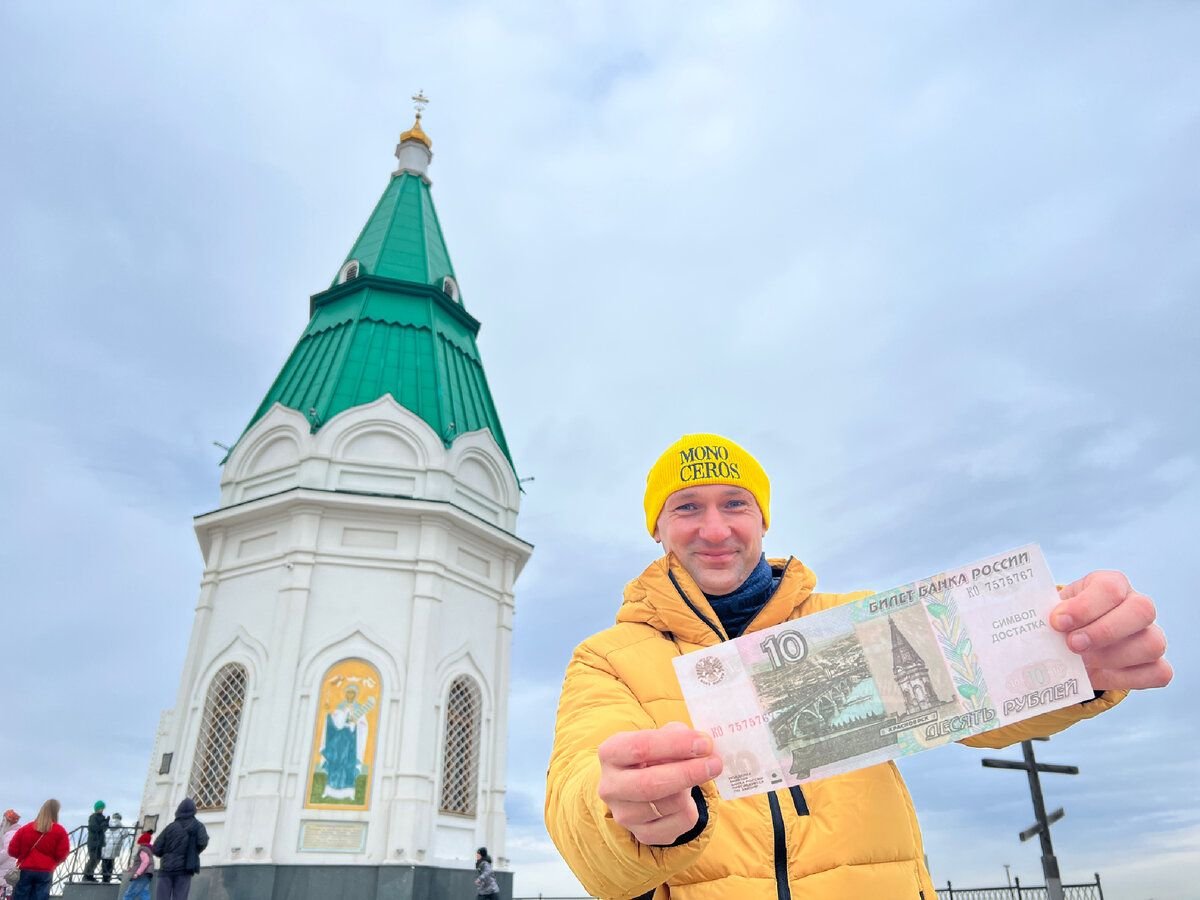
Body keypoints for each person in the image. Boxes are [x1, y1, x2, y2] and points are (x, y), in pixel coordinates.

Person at [545, 433, 1173, 899]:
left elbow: (980, 697)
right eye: (687, 508)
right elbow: (581, 805)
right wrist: (628, 814)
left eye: (735, 503)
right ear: (656, 527)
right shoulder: (609, 659)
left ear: (763, 518)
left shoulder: (855, 622)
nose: (714, 529)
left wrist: (1076, 653)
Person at [6, 799, 69, 900]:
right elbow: (62, 854)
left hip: (25, 869)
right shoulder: (60, 831)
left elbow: (12, 850)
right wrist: (52, 863)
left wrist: (23, 857)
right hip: (45, 871)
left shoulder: (25, 829)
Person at [151, 799, 208, 900]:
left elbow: (156, 848)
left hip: (166, 869)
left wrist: (167, 855)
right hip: (185, 868)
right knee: (180, 897)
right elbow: (202, 842)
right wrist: (193, 852)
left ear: (178, 810)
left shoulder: (170, 827)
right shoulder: (198, 826)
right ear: (194, 810)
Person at [120, 830, 155, 900]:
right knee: (144, 893)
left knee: (129, 894)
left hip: (141, 875)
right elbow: (141, 863)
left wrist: (137, 873)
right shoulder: (148, 850)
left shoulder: (143, 849)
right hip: (147, 875)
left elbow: (145, 862)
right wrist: (132, 869)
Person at [81, 801, 107, 882]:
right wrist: (102, 825)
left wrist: (105, 823)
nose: (101, 810)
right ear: (96, 808)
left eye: (102, 808)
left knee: (97, 859)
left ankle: (90, 875)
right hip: (93, 841)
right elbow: (94, 828)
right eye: (100, 808)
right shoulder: (93, 817)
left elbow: (103, 830)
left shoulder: (102, 817)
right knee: (93, 859)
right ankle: (86, 875)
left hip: (99, 842)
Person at [100, 813, 127, 883]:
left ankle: (104, 878)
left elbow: (102, 832)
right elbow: (125, 834)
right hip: (114, 848)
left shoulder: (107, 824)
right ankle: (108, 878)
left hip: (105, 846)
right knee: (110, 863)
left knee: (104, 862)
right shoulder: (121, 826)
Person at [0, 812, 21, 900]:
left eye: (4, 820)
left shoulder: (10, 833)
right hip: (9, 871)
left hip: (6, 872)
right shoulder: (16, 832)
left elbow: (7, 851)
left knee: (5, 893)